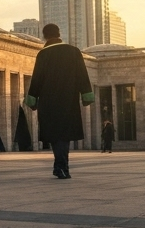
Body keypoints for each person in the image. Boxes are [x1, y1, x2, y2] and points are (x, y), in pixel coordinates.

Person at [26, 24, 94, 179]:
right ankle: (62, 167)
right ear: (59, 34)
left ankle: (61, 166)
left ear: (45, 36)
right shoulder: (74, 51)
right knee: (64, 135)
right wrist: (86, 96)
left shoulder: (43, 54)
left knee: (55, 135)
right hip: (69, 100)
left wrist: (32, 99)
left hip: (49, 101)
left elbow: (37, 78)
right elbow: (82, 75)